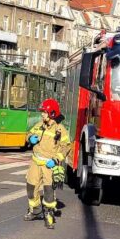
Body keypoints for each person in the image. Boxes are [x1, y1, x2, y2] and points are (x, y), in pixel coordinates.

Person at [23, 98, 72, 230]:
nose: (42, 114)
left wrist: (56, 160)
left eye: (44, 112)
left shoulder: (60, 129)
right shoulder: (39, 125)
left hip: (49, 165)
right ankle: (35, 210)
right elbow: (29, 134)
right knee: (31, 186)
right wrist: (29, 138)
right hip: (35, 162)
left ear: (52, 113)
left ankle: (48, 214)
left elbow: (66, 147)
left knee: (49, 191)